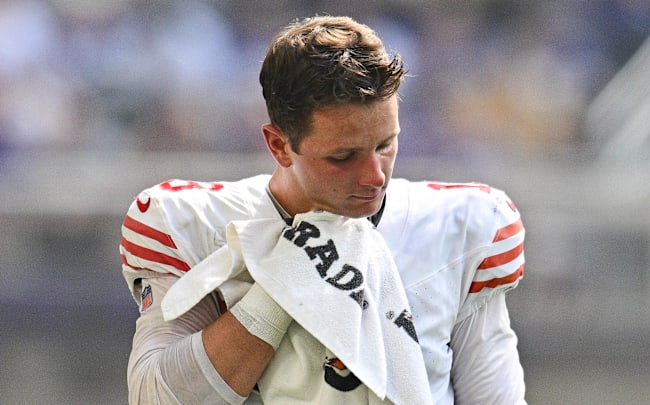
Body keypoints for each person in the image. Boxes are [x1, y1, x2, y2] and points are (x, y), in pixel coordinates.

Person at [120, 15, 526, 404]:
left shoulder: (459, 226)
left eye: (385, 145)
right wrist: (281, 286)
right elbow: (156, 397)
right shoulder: (192, 225)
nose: (375, 176)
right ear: (279, 145)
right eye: (343, 156)